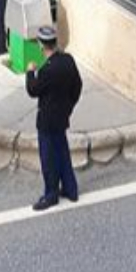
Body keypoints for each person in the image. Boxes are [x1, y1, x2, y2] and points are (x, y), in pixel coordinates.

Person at [25, 25, 83, 212]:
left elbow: (33, 90)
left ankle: (51, 194)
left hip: (47, 120)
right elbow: (78, 86)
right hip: (62, 116)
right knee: (63, 153)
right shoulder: (68, 61)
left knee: (49, 157)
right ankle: (70, 189)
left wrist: (30, 72)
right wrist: (69, 107)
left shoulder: (47, 71)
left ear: (43, 46)